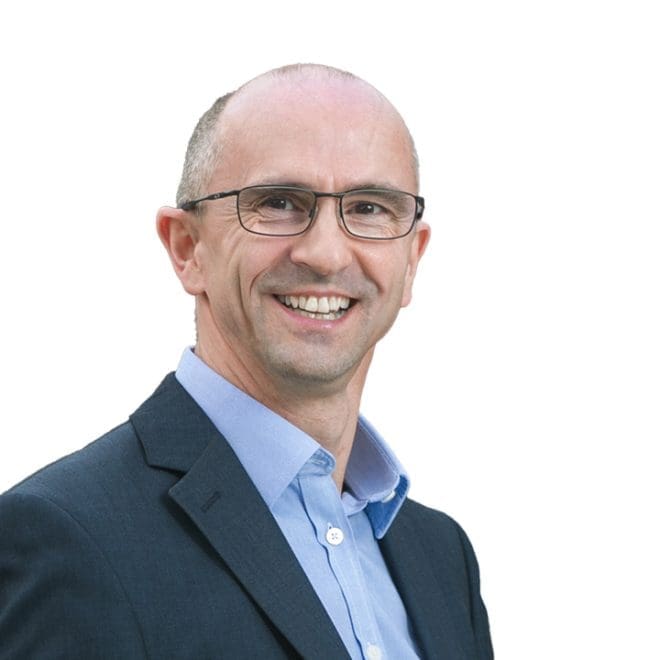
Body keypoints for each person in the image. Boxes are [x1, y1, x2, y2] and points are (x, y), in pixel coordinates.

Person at [0, 64, 493, 659]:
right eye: (279, 203)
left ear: (412, 259)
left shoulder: (442, 558)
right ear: (187, 248)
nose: (326, 254)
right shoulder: (70, 538)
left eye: (368, 208)